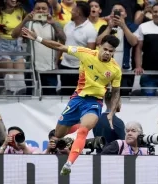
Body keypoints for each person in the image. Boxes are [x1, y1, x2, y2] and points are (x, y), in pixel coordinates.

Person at [21, 28, 122, 175]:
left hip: (94, 102)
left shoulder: (115, 69)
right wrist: (38, 39)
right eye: (105, 49)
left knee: (83, 130)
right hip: (77, 99)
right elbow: (60, 47)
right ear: (99, 46)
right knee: (58, 134)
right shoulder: (86, 53)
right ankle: (73, 132)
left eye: (111, 51)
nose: (107, 53)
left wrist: (111, 112)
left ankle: (69, 163)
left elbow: (116, 92)